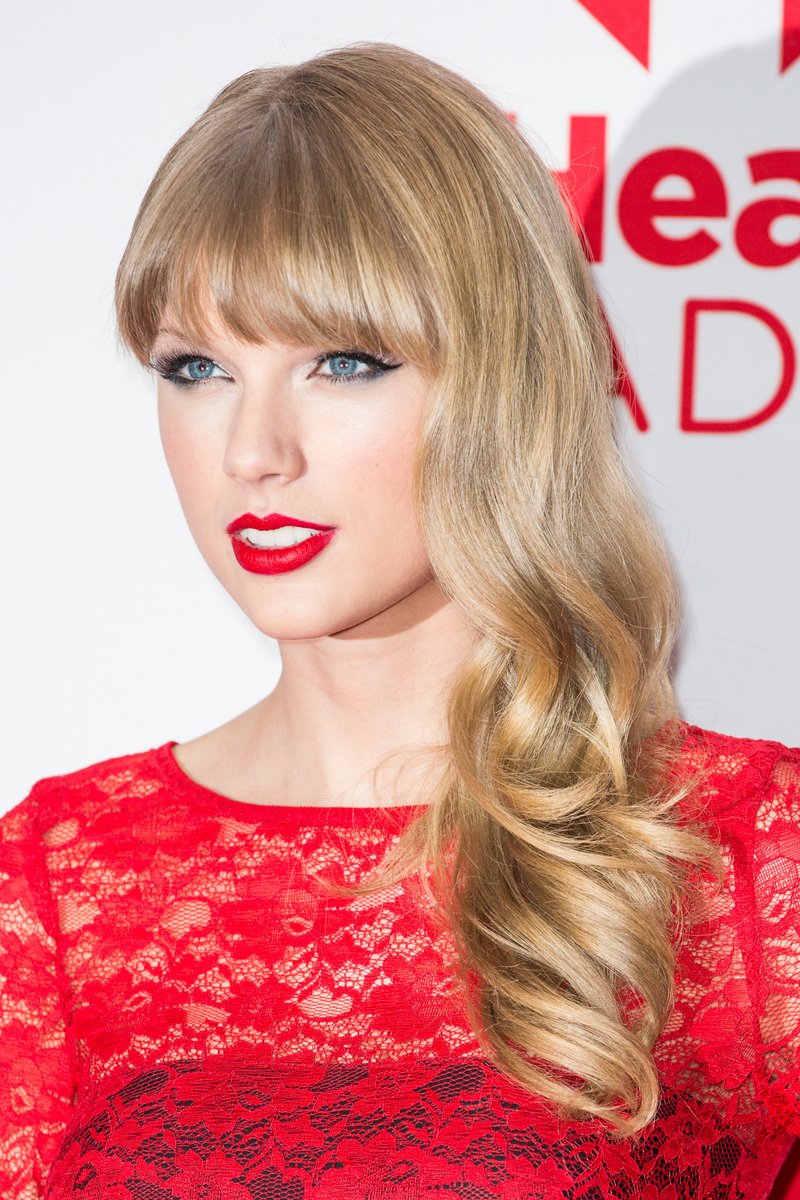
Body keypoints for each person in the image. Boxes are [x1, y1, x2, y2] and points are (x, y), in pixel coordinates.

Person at [1, 40, 798, 1200]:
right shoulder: (55, 882)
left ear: (503, 384)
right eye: (195, 369)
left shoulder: (746, 857)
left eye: (343, 362)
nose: (253, 452)